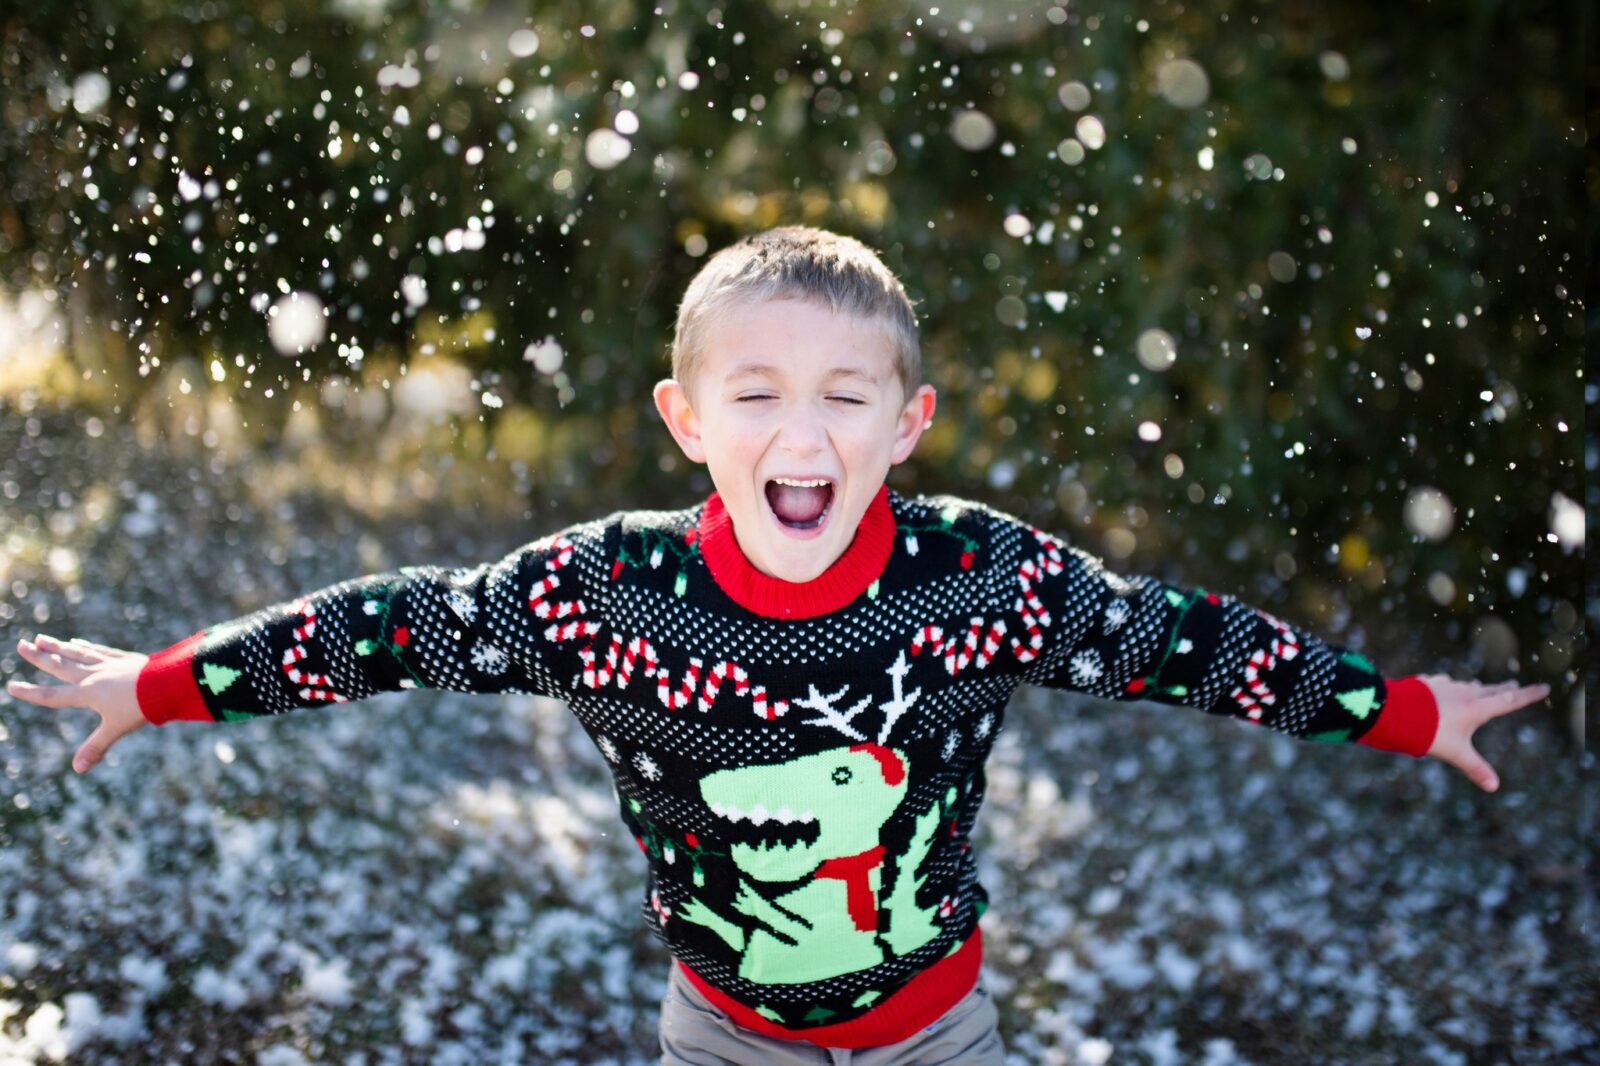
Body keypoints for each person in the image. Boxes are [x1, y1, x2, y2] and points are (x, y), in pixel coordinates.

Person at [6, 227, 1548, 1065]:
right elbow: (391, 628)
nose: (798, 428)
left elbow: (1184, 640)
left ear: (907, 423)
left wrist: (1407, 710)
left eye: (841, 395)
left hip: (941, 1027)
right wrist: (158, 683)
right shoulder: (605, 595)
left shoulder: (982, 581)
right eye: (753, 392)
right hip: (719, 1031)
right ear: (687, 419)